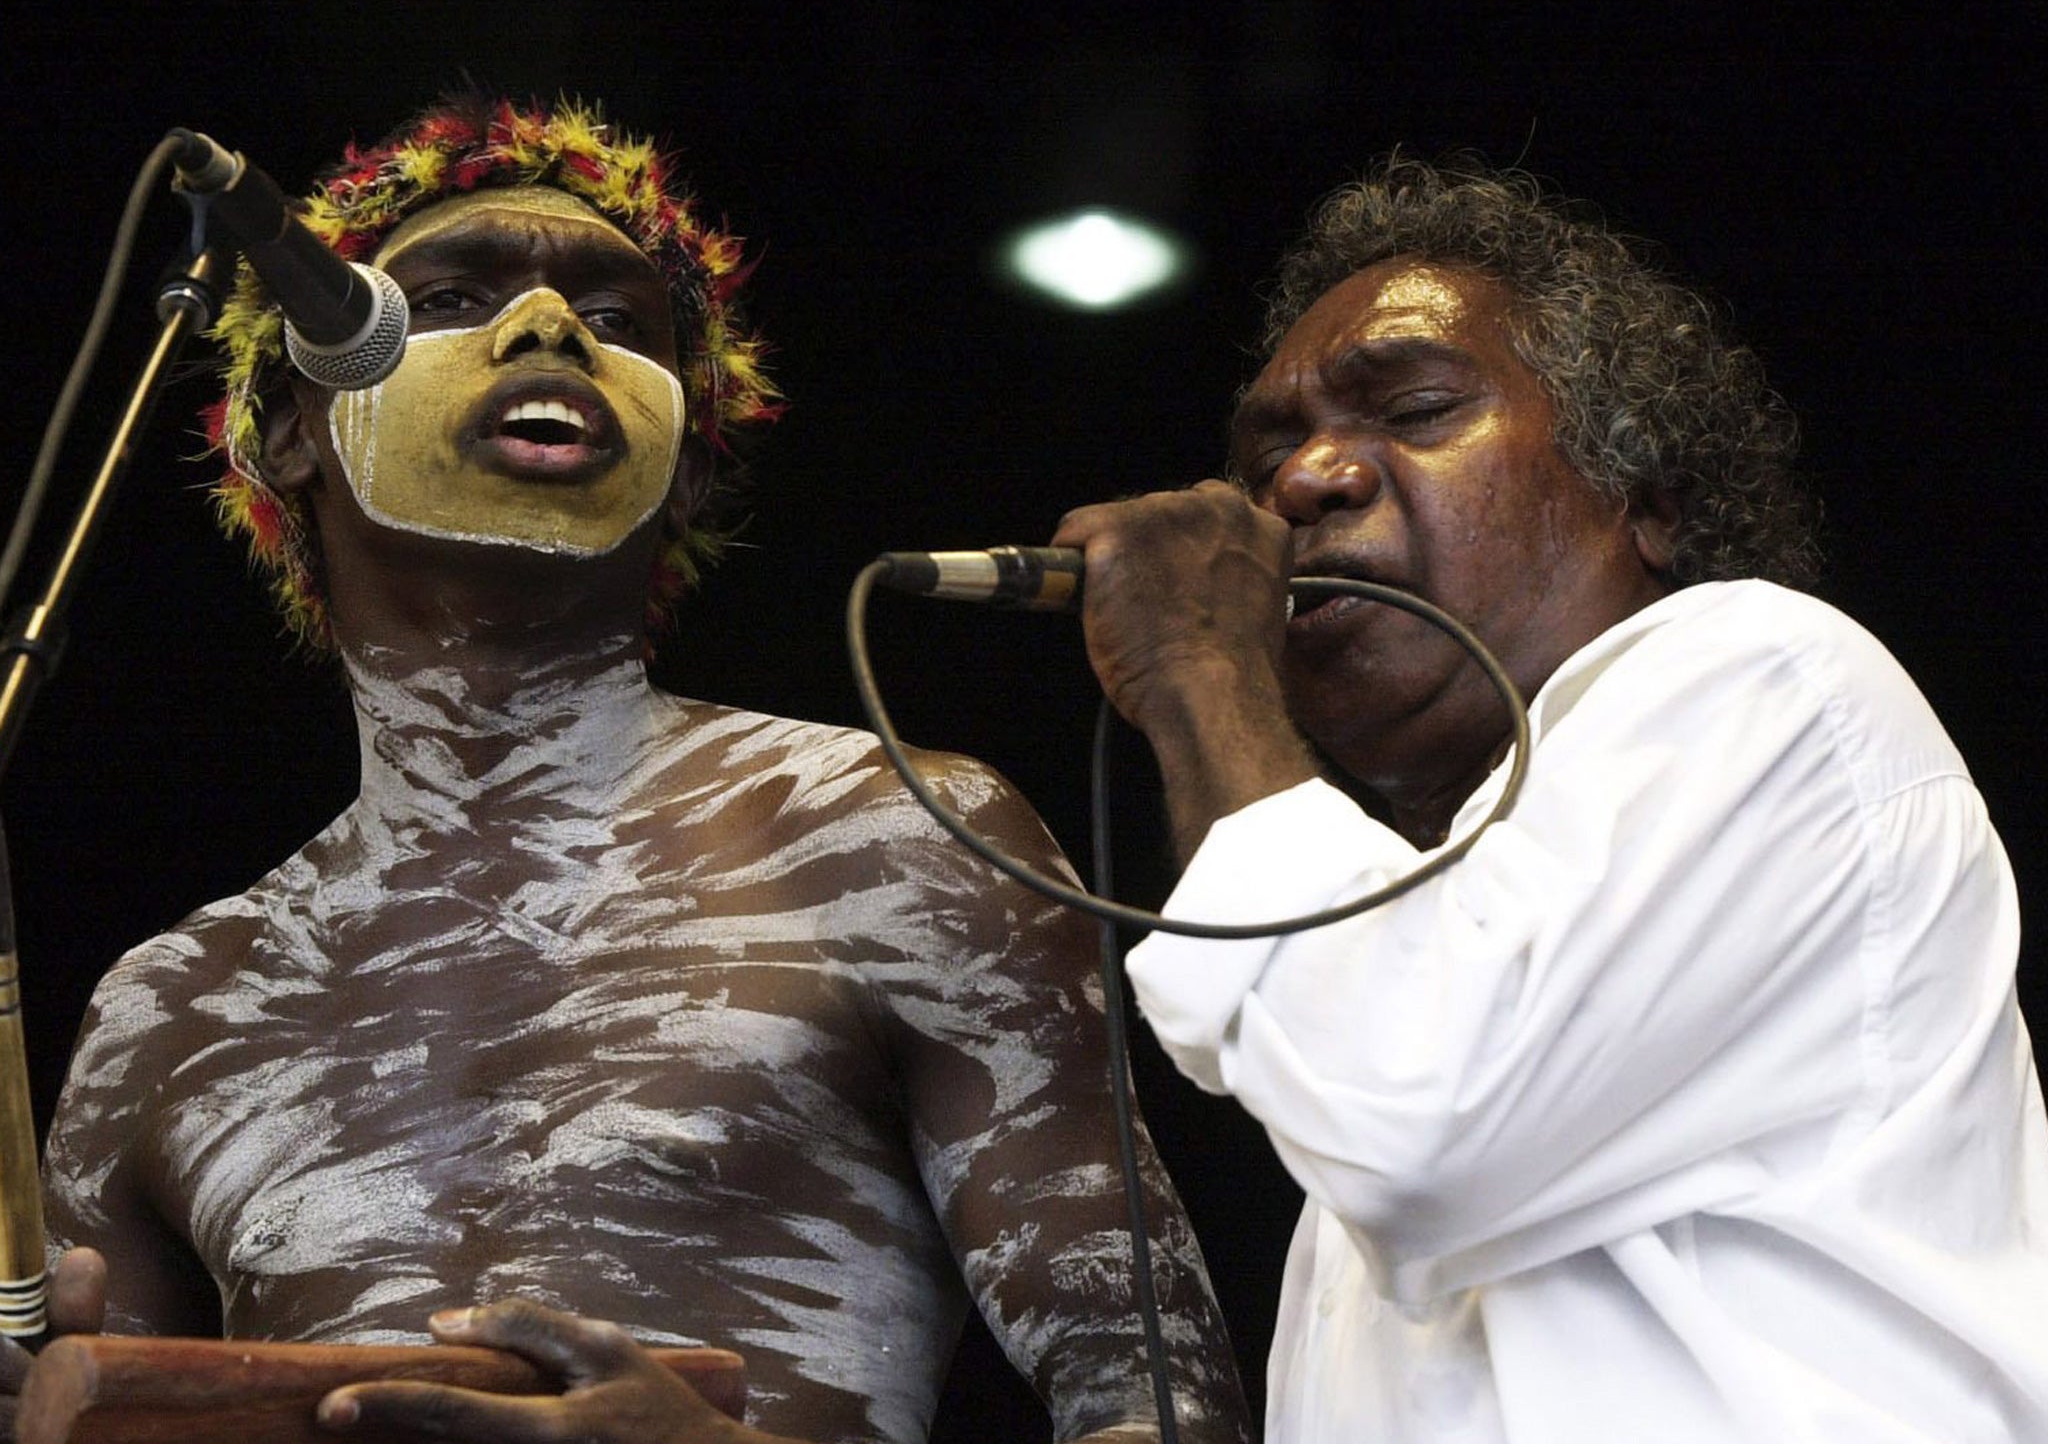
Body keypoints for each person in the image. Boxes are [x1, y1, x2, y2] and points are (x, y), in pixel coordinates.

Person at [1, 97, 1249, 1444]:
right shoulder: (172, 1010)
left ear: (688, 464)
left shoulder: (889, 837)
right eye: (455, 296)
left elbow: (1170, 1418)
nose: (548, 329)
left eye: (620, 319)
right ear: (290, 427)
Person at [1052, 155, 2048, 1441]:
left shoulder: (1767, 673)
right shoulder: (1423, 956)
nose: (1304, 483)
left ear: (1646, 499)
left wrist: (1196, 668)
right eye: (1270, 454)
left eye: (1410, 408)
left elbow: (1417, 1115)